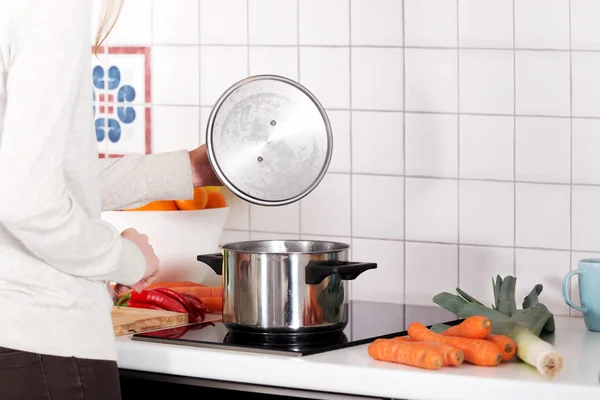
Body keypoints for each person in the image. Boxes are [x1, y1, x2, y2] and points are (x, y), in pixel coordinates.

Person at [0, 0, 220, 398]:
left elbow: (39, 177)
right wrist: (127, 258)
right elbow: (26, 201)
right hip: (41, 342)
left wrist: (191, 170)